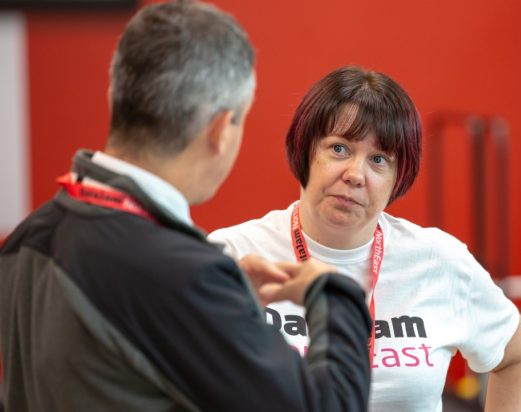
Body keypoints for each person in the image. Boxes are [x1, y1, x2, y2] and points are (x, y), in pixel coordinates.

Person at [0, 3, 373, 411]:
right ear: (220, 129)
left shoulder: (28, 237)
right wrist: (333, 293)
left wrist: (222, 303)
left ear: (116, 97)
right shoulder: (175, 274)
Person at [209, 66, 521, 411]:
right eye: (339, 149)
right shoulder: (233, 255)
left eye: (379, 159)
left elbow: (519, 357)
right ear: (305, 150)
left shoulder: (438, 260)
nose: (355, 175)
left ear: (399, 177)